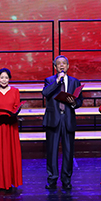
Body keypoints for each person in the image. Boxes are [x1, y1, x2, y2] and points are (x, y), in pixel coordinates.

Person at [42, 55, 83, 189]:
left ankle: (66, 180)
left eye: (64, 63)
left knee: (68, 152)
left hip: (68, 119)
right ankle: (52, 179)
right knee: (52, 151)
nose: (61, 65)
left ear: (68, 66)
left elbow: (79, 101)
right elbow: (45, 93)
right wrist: (57, 82)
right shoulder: (49, 80)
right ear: (55, 67)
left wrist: (74, 103)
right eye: (59, 63)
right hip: (53, 120)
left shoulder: (75, 82)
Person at [0, 68, 23, 190]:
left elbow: (16, 106)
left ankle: (10, 180)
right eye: (2, 77)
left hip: (10, 125)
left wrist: (16, 111)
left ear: (9, 79)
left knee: (10, 152)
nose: (4, 80)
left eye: (6, 78)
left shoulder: (15, 91)